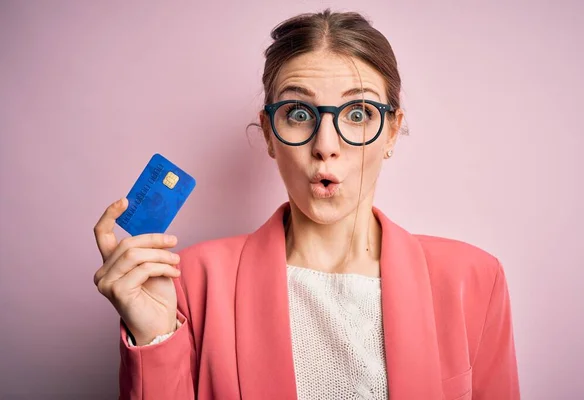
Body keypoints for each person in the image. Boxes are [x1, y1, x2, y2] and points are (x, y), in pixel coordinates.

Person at [93, 9, 520, 400]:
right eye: (299, 113)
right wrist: (154, 339)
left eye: (358, 113)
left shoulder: (473, 279)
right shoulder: (190, 283)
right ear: (268, 134)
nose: (326, 146)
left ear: (392, 131)